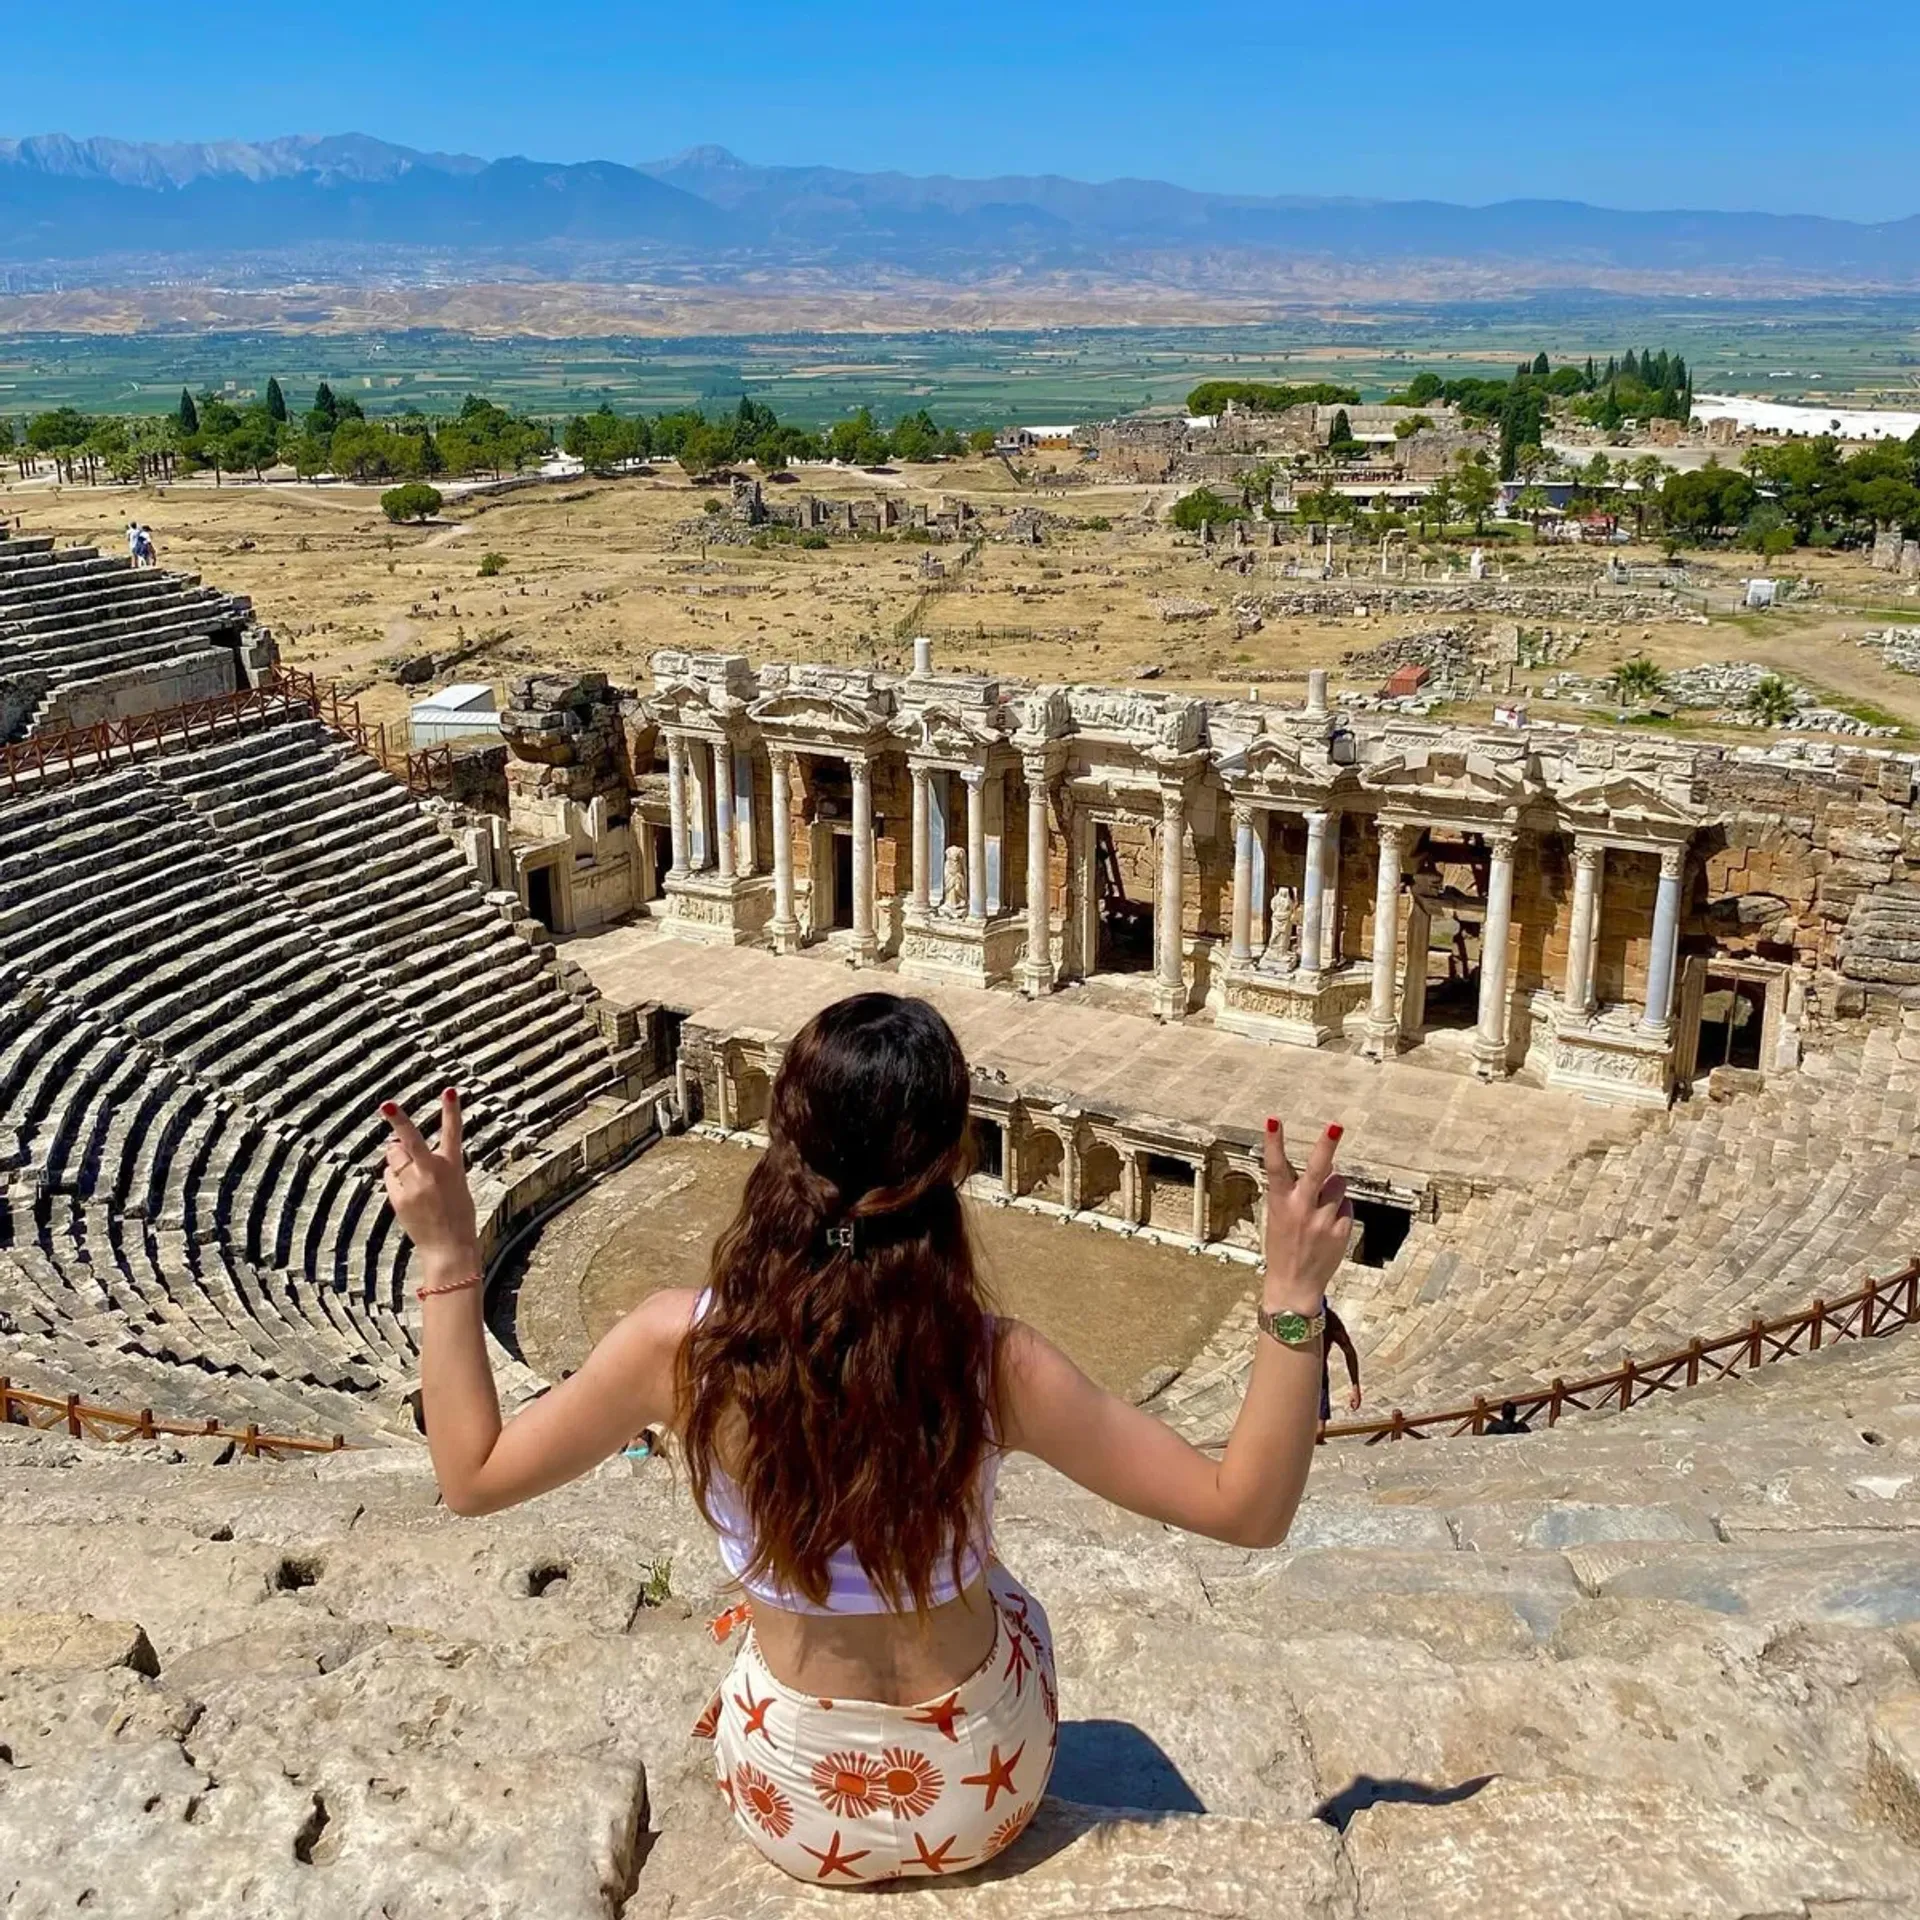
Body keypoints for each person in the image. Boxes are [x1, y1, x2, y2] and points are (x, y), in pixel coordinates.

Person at [378, 993, 1352, 1886]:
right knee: (1001, 1585)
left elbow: (472, 1475)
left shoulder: (678, 1347)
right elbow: (1248, 1509)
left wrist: (451, 1256)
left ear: (780, 1142)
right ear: (952, 1162)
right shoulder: (991, 1365)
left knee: (777, 1598)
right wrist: (1292, 1296)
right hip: (983, 1793)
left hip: (791, 1805)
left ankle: (793, 1683)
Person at [1321, 1301, 1363, 1420]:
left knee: (1319, 1431)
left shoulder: (1330, 1320)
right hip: (1296, 1380)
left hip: (1319, 1380)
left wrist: (1355, 1387)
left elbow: (1349, 1351)